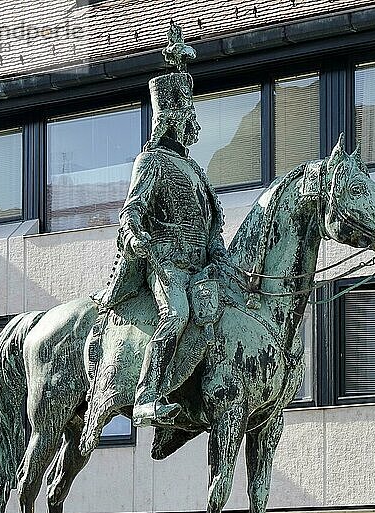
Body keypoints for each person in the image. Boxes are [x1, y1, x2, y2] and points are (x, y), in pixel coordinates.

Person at [88, 23, 226, 429]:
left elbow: (212, 227)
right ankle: (147, 395)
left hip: (200, 267)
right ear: (171, 119)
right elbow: (131, 212)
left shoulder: (197, 170)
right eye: (188, 117)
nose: (194, 126)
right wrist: (141, 240)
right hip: (165, 263)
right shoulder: (151, 162)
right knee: (177, 315)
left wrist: (220, 257)